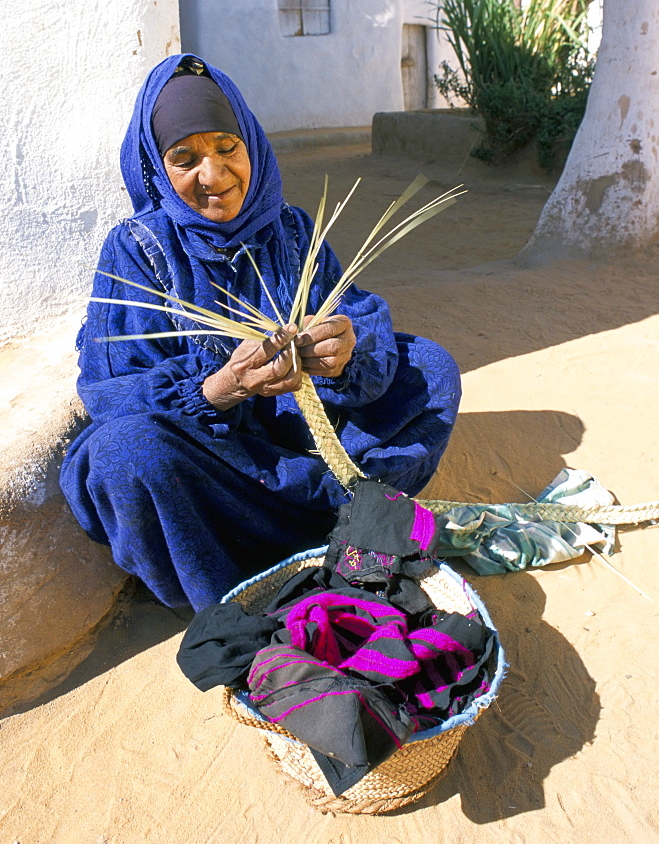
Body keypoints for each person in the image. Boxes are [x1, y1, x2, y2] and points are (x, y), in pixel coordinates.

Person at [60, 55, 461, 612]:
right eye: (185, 158)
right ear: (156, 167)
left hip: (305, 449)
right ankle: (236, 597)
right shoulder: (138, 251)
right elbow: (111, 395)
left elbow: (359, 314)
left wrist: (346, 348)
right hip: (225, 476)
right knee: (125, 455)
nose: (215, 176)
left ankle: (339, 525)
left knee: (431, 369)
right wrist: (221, 388)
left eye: (228, 148)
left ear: (251, 142)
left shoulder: (291, 228)